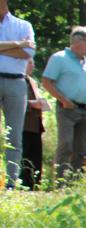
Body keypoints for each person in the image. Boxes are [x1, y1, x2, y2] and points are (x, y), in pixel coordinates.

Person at [41, 26, 86, 184]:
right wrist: (64, 100)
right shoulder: (59, 58)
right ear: (77, 42)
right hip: (67, 109)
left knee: (80, 148)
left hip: (85, 110)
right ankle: (60, 181)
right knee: (66, 144)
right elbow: (46, 82)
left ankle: (73, 182)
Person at [0, 0, 34, 188]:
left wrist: (19, 47)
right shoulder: (20, 34)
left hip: (16, 82)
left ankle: (12, 183)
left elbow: (28, 54)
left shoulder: (23, 25)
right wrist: (17, 44)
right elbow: (22, 49)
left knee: (14, 134)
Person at [19, 59, 45, 189]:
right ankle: (21, 184)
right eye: (29, 63)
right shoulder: (17, 81)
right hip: (23, 125)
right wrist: (31, 104)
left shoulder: (33, 81)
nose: (33, 65)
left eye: (33, 63)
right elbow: (14, 102)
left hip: (36, 125)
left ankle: (34, 185)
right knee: (24, 155)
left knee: (35, 157)